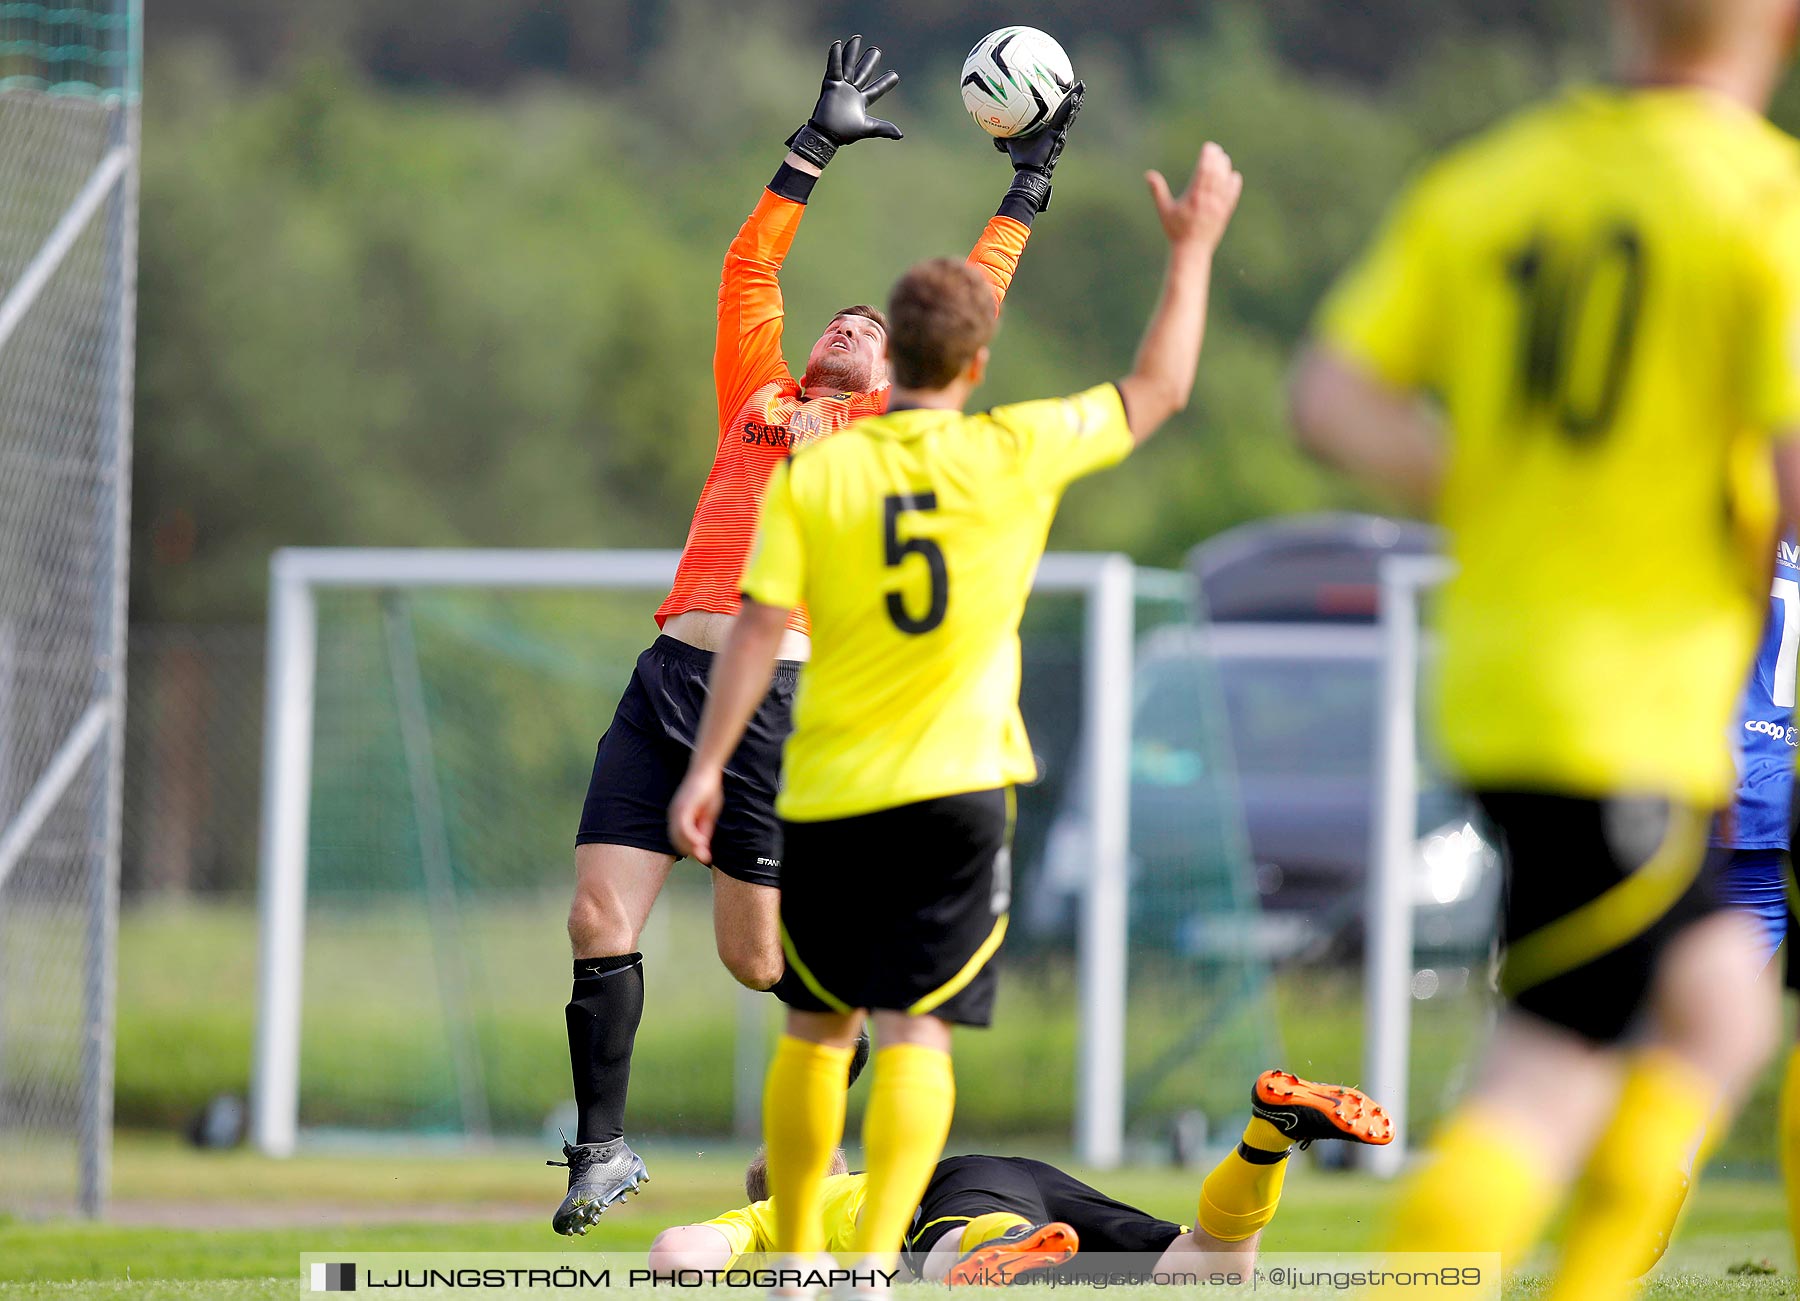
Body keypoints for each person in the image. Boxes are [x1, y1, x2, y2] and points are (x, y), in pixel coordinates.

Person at [1288, 0, 1800, 1295]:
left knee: (1717, 1010)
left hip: (1507, 685)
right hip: (1629, 705)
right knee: (1552, 1070)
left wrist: (1484, 485)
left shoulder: (1494, 182)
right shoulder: (1761, 200)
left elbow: (1329, 399)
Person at [666, 140, 1242, 1283]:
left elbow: (753, 620)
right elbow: (1162, 389)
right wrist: (1194, 251)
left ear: (896, 353)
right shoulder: (1009, 449)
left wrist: (707, 763)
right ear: (976, 360)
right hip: (960, 787)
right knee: (915, 1030)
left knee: (816, 1030)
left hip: (831, 781)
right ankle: (874, 1259)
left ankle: (797, 1260)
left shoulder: (821, 470)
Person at [553, 34, 1084, 1235]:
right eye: (836, 318)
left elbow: (975, 297)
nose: (847, 323)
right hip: (665, 680)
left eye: (871, 326)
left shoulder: (889, 432)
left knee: (763, 961)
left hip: (774, 701)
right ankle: (600, 1147)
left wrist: (1030, 185)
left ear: (902, 371)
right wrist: (809, 149)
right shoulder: (760, 396)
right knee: (597, 917)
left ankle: (817, 1139)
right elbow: (750, 267)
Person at [646, 1071, 1392, 1284]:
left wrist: (741, 1248)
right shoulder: (853, 1178)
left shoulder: (788, 1213)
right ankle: (1269, 1138)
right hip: (1016, 1173)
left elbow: (674, 1255)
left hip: (949, 1199)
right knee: (1210, 1268)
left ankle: (1014, 1247)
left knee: (950, 1259)